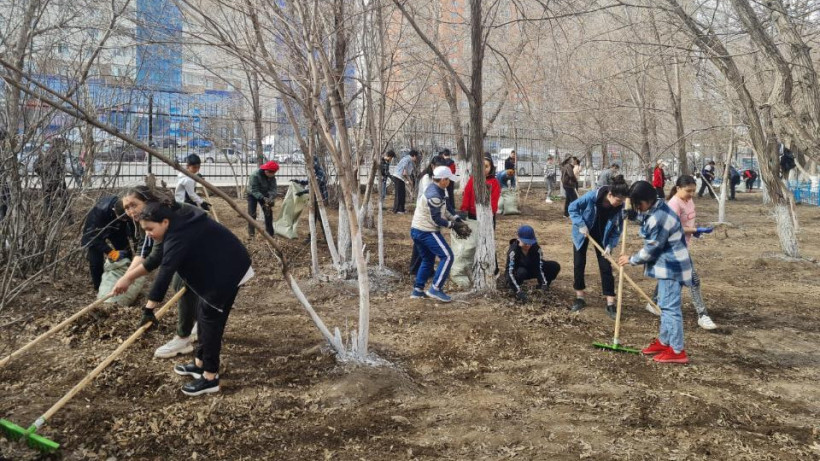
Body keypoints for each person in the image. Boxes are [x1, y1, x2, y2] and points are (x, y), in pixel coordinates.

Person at [116, 201, 253, 396]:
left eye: (150, 229)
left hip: (229, 270)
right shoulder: (176, 222)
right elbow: (156, 259)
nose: (147, 233)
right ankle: (200, 363)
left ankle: (210, 377)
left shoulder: (178, 234)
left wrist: (149, 308)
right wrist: (128, 278)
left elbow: (166, 271)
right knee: (203, 315)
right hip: (219, 267)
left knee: (210, 321)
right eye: (144, 229)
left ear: (164, 222)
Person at [120, 186, 200, 358]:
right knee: (187, 283)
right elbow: (143, 249)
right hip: (189, 247)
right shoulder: (146, 217)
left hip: (200, 244)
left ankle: (183, 338)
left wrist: (149, 308)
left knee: (182, 282)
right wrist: (126, 278)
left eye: (134, 205)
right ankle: (198, 324)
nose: (130, 211)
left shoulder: (163, 215)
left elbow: (157, 258)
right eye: (126, 208)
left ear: (147, 202)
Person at [618, 180, 693, 364]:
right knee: (665, 304)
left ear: (647, 200)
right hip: (668, 265)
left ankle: (677, 350)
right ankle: (664, 341)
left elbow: (652, 248)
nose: (637, 208)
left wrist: (631, 259)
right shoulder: (658, 205)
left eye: (638, 205)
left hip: (671, 267)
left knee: (670, 309)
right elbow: (647, 217)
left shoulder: (658, 218)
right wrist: (634, 216)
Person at [648, 175, 717, 330]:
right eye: (688, 191)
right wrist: (695, 230)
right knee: (693, 280)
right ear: (678, 188)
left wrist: (694, 230)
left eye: (693, 191)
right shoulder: (673, 204)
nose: (691, 194)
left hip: (682, 244)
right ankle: (703, 315)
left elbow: (686, 222)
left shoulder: (688, 200)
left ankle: (654, 303)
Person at [568, 175, 629, 319]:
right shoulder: (592, 196)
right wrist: (581, 224)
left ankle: (610, 303)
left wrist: (610, 245)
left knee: (606, 266)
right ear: (610, 195)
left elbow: (617, 230)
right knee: (579, 263)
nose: (620, 203)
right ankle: (580, 297)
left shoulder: (620, 208)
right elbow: (572, 208)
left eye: (623, 201)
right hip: (583, 231)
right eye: (618, 200)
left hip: (603, 235)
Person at [409, 166, 470, 302]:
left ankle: (417, 290)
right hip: (426, 231)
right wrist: (452, 225)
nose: (450, 182)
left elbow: (445, 209)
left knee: (428, 260)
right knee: (448, 256)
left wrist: (456, 218)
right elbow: (436, 219)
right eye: (448, 179)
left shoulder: (439, 190)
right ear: (442, 180)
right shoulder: (434, 195)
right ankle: (436, 288)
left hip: (418, 230)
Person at [81, 195, 136, 291]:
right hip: (96, 232)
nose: (125, 220)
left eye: (126, 219)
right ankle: (99, 287)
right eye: (123, 219)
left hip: (117, 229)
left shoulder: (128, 209)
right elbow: (93, 237)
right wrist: (111, 252)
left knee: (126, 253)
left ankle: (127, 279)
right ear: (114, 210)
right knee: (96, 262)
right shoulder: (99, 211)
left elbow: (134, 230)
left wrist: (137, 248)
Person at [410, 155, 447, 275]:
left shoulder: (437, 178)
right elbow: (431, 195)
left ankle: (427, 269)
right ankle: (415, 268)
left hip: (433, 212)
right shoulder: (426, 178)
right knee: (420, 244)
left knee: (428, 245)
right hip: (424, 213)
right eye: (438, 167)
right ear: (432, 166)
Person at [505, 225, 561, 302]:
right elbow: (509, 272)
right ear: (518, 238)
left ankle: (542, 286)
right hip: (520, 272)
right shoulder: (513, 251)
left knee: (554, 266)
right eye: (525, 243)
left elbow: (539, 266)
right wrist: (517, 291)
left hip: (532, 268)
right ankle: (516, 286)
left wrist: (544, 283)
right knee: (521, 272)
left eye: (530, 242)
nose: (528, 245)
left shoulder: (536, 248)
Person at [460, 153, 501, 224]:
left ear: (491, 167)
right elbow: (467, 194)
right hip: (473, 213)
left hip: (487, 214)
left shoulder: (494, 182)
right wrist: (464, 208)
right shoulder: (473, 179)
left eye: (486, 166)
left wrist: (491, 211)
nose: (484, 169)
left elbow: (494, 198)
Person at [247, 160, 279, 237]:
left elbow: (273, 188)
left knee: (268, 214)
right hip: (253, 195)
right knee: (252, 214)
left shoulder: (272, 176)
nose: (273, 175)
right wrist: (263, 198)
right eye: (272, 173)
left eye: (274, 173)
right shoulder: (254, 175)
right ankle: (251, 234)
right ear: (267, 171)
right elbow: (254, 190)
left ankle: (270, 234)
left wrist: (271, 197)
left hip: (265, 194)